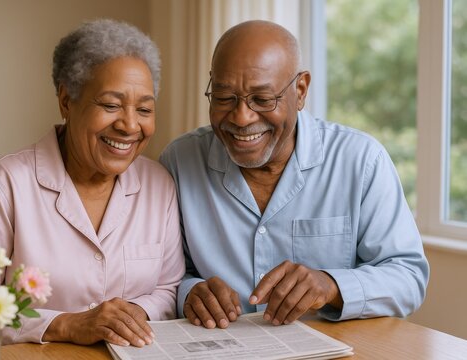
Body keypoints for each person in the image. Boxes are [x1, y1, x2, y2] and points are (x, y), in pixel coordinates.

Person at [159, 20, 429, 329]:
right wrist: (190, 292)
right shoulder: (179, 162)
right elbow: (164, 276)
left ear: (300, 91)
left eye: (262, 99)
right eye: (224, 98)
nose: (242, 117)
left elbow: (408, 277)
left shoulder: (361, 161)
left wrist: (331, 286)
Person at [0, 19, 185, 347]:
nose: (130, 125)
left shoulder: (159, 184)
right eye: (111, 105)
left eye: (144, 108)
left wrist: (131, 314)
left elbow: (168, 288)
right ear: (66, 101)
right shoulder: (5, 184)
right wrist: (65, 325)